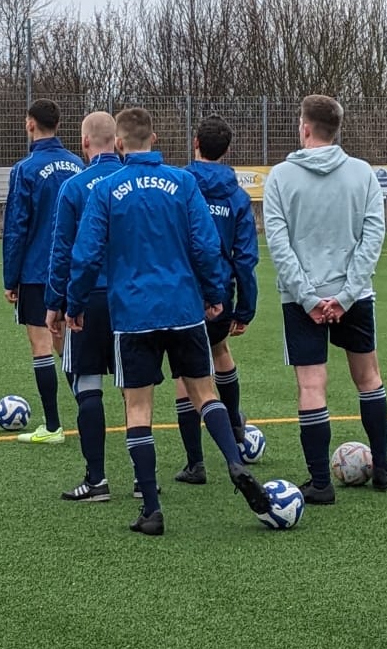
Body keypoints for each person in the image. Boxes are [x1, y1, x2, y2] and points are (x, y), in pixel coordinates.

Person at [65, 107, 269, 536]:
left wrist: (75, 303)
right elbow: (206, 245)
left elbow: (85, 255)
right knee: (204, 392)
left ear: (119, 144)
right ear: (153, 139)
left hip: (133, 313)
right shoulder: (183, 182)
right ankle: (234, 461)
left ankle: (152, 509)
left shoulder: (107, 189)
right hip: (183, 307)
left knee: (138, 407)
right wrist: (215, 294)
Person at [262, 94, 387, 505]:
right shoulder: (363, 174)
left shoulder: (280, 178)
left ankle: (320, 483)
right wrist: (347, 294)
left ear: (305, 127)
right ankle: (383, 467)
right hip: (353, 296)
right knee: (368, 377)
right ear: (336, 129)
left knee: (311, 385)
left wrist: (307, 296)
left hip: (301, 300)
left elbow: (278, 244)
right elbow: (373, 237)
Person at [46, 112, 125, 502]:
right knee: (135, 389)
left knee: (88, 383)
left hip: (90, 297)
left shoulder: (75, 187)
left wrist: (55, 303)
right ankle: (146, 482)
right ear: (119, 142)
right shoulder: (135, 184)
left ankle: (96, 481)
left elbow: (63, 252)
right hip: (131, 299)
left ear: (84, 142)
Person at [175, 115, 259, 483]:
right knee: (221, 351)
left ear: (195, 143)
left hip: (183, 292)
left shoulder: (178, 185)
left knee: (183, 375)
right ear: (227, 151)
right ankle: (236, 429)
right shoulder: (237, 196)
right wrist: (246, 306)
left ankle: (196, 463)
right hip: (222, 294)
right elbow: (245, 256)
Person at [2, 99, 84, 445]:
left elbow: (16, 228)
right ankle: (88, 414)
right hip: (75, 271)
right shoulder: (80, 165)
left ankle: (52, 427)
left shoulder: (26, 169)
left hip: (37, 271)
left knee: (41, 344)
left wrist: (11, 278)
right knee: (66, 344)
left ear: (30, 124)